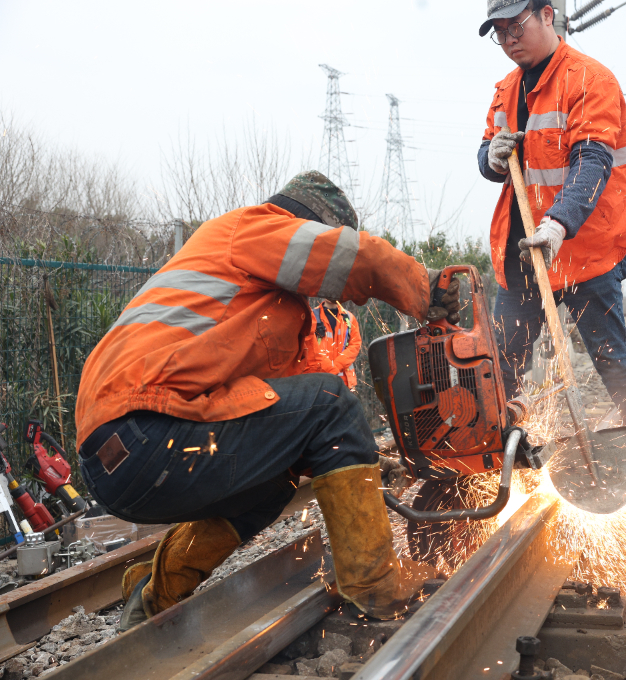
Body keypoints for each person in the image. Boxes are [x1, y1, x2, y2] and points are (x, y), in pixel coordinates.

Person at [74, 171, 461, 632]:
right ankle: (375, 586)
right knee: (330, 402)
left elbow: (291, 421)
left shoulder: (262, 304)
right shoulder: (253, 228)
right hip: (146, 432)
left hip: (126, 461)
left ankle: (154, 595)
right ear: (307, 224)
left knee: (278, 477)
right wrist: (424, 287)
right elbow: (349, 256)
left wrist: (363, 460)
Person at [477, 0, 626, 429]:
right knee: (500, 368)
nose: (509, 40)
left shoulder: (589, 79)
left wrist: (558, 224)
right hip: (523, 253)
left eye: (516, 26)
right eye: (500, 33)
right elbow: (486, 154)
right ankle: (495, 457)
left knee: (615, 363)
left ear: (547, 14)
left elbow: (591, 161)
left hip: (585, 251)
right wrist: (492, 157)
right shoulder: (505, 90)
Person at [306, 299, 361, 389]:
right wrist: (330, 368)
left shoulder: (349, 318)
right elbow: (309, 347)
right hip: (318, 381)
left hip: (344, 383)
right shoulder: (311, 317)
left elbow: (355, 345)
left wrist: (336, 366)